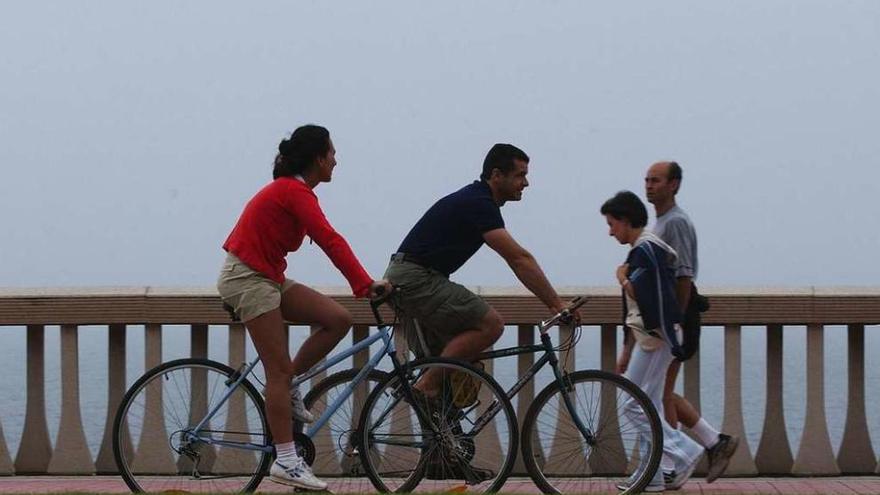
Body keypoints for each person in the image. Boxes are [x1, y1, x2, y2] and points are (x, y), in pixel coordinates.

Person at [217, 124, 389, 491]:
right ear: (317, 158)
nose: (336, 160)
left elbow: (325, 240)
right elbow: (329, 239)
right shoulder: (294, 191)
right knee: (276, 372)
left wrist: (360, 285)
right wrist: (363, 283)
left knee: (337, 318)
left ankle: (290, 383)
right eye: (332, 153)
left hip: (267, 277)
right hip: (246, 278)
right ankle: (287, 461)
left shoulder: (297, 190)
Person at [385, 143, 576, 398]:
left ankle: (440, 428)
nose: (526, 183)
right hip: (416, 278)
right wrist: (555, 304)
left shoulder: (477, 200)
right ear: (497, 175)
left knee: (450, 364)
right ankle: (424, 385)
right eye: (520, 175)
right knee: (491, 325)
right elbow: (519, 259)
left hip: (408, 277)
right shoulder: (479, 203)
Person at [602, 190, 704, 493]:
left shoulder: (645, 250)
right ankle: (654, 475)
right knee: (650, 405)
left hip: (656, 337)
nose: (610, 232)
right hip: (661, 335)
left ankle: (685, 450)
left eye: (612, 224)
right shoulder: (650, 247)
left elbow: (646, 296)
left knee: (633, 406)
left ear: (625, 220)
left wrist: (622, 277)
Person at [644, 161, 739, 486]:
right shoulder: (662, 222)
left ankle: (673, 465)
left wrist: (675, 322)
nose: (649, 186)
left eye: (656, 180)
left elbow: (684, 274)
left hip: (677, 316)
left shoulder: (676, 223)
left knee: (659, 394)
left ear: (674, 185)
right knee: (661, 393)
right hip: (670, 317)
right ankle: (713, 442)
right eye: (647, 180)